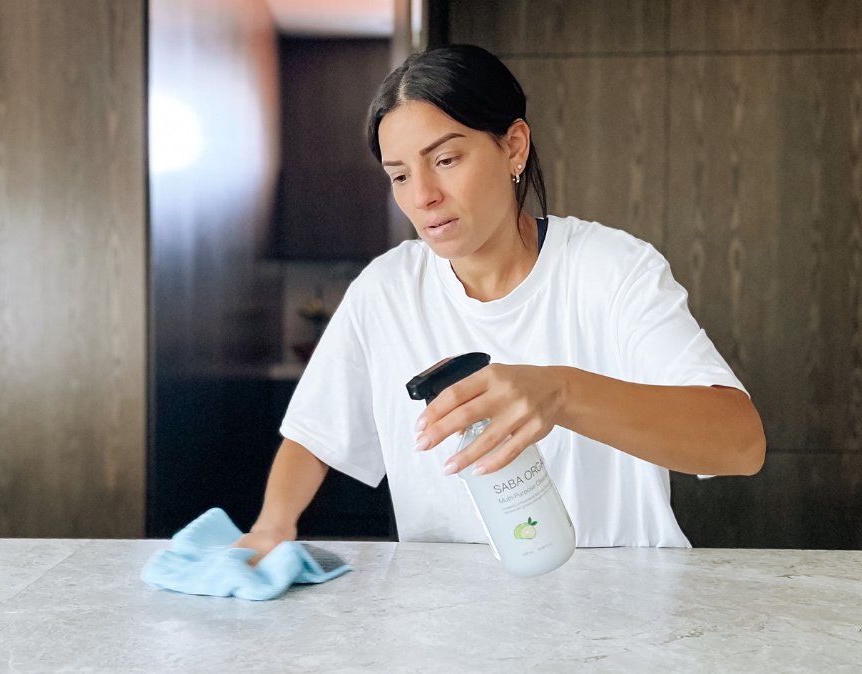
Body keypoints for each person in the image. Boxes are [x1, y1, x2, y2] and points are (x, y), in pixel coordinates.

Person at [234, 44, 765, 560]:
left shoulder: (613, 269)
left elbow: (739, 444)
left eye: (445, 159)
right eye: (399, 175)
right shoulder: (387, 290)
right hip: (452, 621)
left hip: (620, 610)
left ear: (513, 145)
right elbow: (314, 436)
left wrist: (560, 392)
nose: (422, 196)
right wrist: (272, 524)